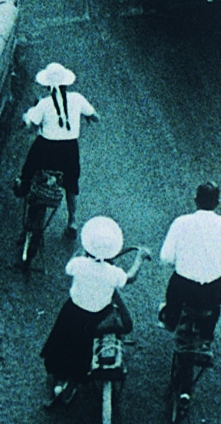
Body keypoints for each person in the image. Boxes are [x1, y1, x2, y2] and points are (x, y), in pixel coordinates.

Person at [41, 216, 148, 404]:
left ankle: (55, 384)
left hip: (71, 312)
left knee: (60, 342)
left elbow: (69, 267)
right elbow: (130, 277)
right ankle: (73, 385)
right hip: (96, 317)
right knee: (84, 349)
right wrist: (140, 257)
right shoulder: (112, 273)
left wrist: (79, 252)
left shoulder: (79, 264)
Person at [158, 183, 221, 344]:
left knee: (174, 290)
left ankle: (170, 320)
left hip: (183, 288)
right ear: (217, 203)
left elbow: (166, 258)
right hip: (211, 291)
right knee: (215, 305)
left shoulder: (180, 223)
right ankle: (207, 335)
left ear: (196, 200)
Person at [16, 61, 98, 234]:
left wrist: (25, 119)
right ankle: (72, 221)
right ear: (66, 83)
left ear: (47, 86)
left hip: (46, 149)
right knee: (71, 182)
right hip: (69, 150)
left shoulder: (43, 104)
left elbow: (30, 123)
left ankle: (23, 184)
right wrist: (87, 116)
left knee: (30, 164)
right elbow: (95, 116)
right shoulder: (77, 98)